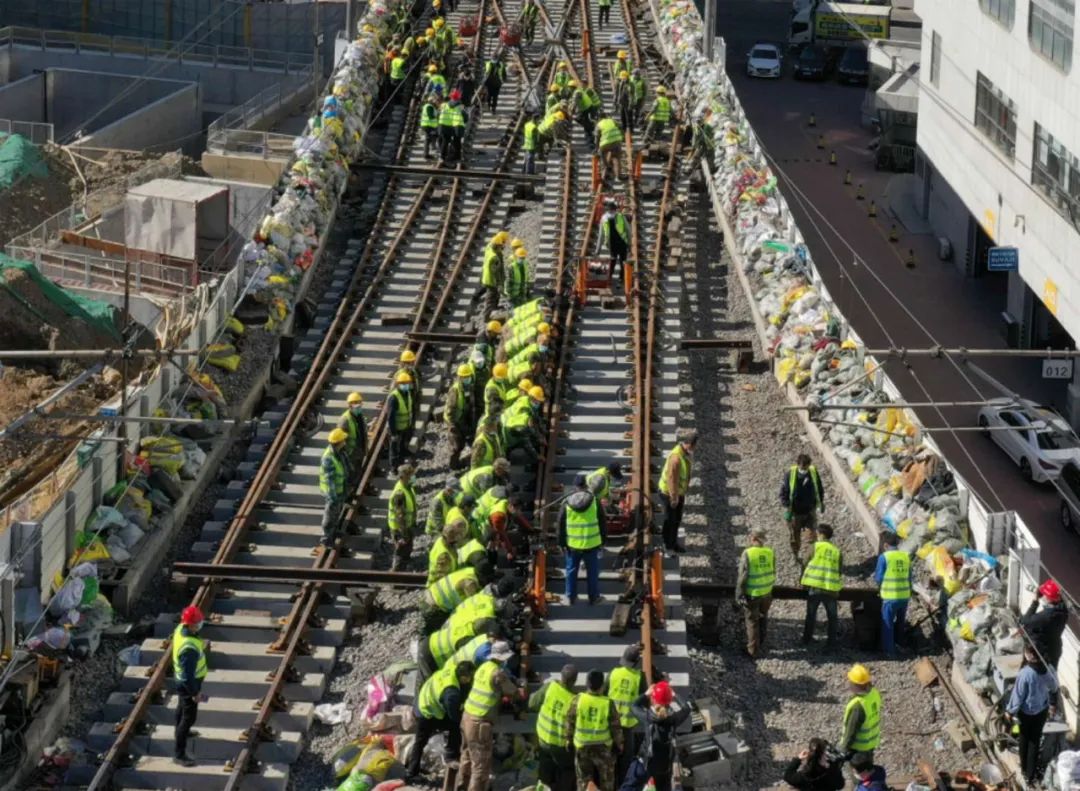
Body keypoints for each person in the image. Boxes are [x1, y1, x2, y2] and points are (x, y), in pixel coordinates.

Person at [459, 644, 519, 791]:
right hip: (479, 723)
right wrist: (519, 688)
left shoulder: (483, 667)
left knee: (466, 756)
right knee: (480, 766)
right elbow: (512, 691)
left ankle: (460, 786)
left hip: (466, 716)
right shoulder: (497, 673)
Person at [408, 660, 475, 781]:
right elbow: (454, 716)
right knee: (456, 726)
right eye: (469, 678)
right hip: (428, 711)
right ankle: (451, 756)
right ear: (463, 677)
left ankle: (412, 772)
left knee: (419, 742)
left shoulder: (452, 668)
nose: (470, 681)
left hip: (424, 698)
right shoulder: (451, 693)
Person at [619, 681, 691, 791]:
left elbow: (634, 706)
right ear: (669, 701)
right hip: (663, 765)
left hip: (646, 762)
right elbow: (686, 708)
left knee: (629, 787)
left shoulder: (648, 718)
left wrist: (646, 694)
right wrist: (674, 694)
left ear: (653, 699)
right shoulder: (673, 720)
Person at [1007, 644, 1059, 783]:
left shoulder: (1026, 673)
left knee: (1024, 739)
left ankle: (1024, 769)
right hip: (1041, 711)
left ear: (1029, 655)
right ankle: (1030, 774)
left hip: (1026, 713)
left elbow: (1018, 696)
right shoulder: (1048, 669)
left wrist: (1010, 711)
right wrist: (1052, 704)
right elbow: (1054, 687)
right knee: (1035, 741)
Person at [567, 669, 623, 791]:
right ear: (602, 685)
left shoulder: (578, 700)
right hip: (603, 749)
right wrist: (619, 745)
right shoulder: (608, 703)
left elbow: (570, 722)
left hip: (582, 748)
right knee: (607, 781)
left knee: (583, 782)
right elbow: (616, 728)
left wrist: (568, 741)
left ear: (587, 683)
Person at [560, 472, 607, 605]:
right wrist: (603, 541)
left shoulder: (566, 502)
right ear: (586, 485)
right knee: (592, 572)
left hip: (572, 544)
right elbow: (602, 523)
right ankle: (594, 598)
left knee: (571, 571)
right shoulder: (594, 501)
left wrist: (561, 542)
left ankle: (569, 597)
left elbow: (560, 524)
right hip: (592, 543)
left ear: (575, 486)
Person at [530, 663, 579, 791]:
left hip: (543, 740)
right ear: (574, 681)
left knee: (545, 772)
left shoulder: (549, 687)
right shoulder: (575, 700)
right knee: (567, 770)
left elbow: (532, 704)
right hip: (560, 746)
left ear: (561, 676)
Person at [172, 605, 208, 766]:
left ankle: (179, 732)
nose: (200, 625)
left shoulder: (181, 628)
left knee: (181, 709)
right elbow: (188, 677)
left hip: (181, 681)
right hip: (188, 684)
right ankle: (179, 755)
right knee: (189, 717)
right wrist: (195, 693)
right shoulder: (189, 649)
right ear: (191, 624)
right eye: (198, 623)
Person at [608, 645, 647, 779]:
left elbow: (604, 693)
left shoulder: (613, 673)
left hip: (611, 724)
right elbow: (644, 700)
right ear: (636, 662)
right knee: (627, 757)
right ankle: (623, 782)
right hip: (627, 726)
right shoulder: (639, 677)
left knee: (611, 754)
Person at [738, 526, 775, 658]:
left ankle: (752, 650)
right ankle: (761, 642)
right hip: (767, 592)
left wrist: (739, 594)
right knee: (763, 616)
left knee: (752, 621)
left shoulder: (748, 553)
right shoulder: (770, 552)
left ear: (753, 538)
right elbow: (773, 571)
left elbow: (743, 576)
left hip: (752, 593)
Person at [801, 524, 841, 647]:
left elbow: (804, 562)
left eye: (817, 534)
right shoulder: (836, 551)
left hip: (815, 587)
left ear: (821, 534)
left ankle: (807, 640)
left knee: (811, 615)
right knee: (832, 618)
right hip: (831, 589)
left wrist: (802, 580)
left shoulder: (815, 547)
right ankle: (831, 644)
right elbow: (839, 570)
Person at [780, 453, 826, 560]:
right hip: (795, 512)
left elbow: (819, 489)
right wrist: (787, 507)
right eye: (802, 467)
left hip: (810, 511)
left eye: (806, 467)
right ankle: (796, 554)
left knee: (812, 536)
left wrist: (821, 503)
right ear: (798, 465)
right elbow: (783, 493)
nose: (804, 470)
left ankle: (811, 557)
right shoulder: (790, 475)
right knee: (795, 537)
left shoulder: (813, 473)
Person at [658, 429, 696, 553]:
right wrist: (674, 498)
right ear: (690, 444)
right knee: (671, 520)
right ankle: (668, 545)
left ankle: (672, 543)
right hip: (669, 494)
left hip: (678, 493)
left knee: (676, 519)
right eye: (694, 446)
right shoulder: (676, 459)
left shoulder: (683, 453)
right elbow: (671, 479)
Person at [874, 532, 911, 656]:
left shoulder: (884, 557)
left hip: (890, 597)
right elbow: (910, 577)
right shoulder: (906, 556)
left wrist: (880, 588)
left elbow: (878, 577)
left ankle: (889, 651)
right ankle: (900, 644)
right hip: (904, 596)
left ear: (885, 545)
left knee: (887, 623)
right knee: (900, 622)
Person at [1021, 578, 1069, 668]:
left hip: (1041, 653)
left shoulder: (1045, 616)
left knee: (1036, 677)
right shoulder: (1063, 610)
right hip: (1055, 649)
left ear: (1048, 598)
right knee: (1050, 675)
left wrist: (1035, 601)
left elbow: (1025, 622)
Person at [839, 664, 881, 764]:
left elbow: (851, 731)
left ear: (855, 684)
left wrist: (843, 749)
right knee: (868, 771)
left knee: (859, 775)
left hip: (857, 749)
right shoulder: (874, 693)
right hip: (870, 744)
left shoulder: (858, 706)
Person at [319, 428, 350, 549]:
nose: (345, 441)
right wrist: (333, 497)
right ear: (340, 442)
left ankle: (334, 531)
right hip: (332, 492)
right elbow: (329, 479)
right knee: (330, 514)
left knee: (337, 512)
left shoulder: (339, 452)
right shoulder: (328, 458)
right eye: (344, 439)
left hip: (340, 489)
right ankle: (326, 538)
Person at [445, 363, 476, 468]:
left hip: (463, 418)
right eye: (465, 377)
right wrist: (453, 425)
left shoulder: (468, 387)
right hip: (454, 421)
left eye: (469, 376)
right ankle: (453, 465)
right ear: (460, 378)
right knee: (456, 445)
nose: (467, 378)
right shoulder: (455, 390)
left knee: (463, 441)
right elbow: (450, 410)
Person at [388, 464, 418, 571]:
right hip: (400, 529)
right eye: (410, 475)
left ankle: (405, 566)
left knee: (407, 548)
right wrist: (403, 535)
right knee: (400, 551)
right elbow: (399, 516)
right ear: (402, 477)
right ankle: (396, 575)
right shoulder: (399, 493)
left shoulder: (408, 487)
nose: (412, 477)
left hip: (407, 525)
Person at [596, 198, 630, 285]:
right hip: (622, 243)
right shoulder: (620, 216)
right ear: (615, 208)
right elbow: (628, 230)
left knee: (613, 260)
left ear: (607, 209)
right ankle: (621, 279)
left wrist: (598, 249)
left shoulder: (604, 218)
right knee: (623, 261)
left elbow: (601, 235)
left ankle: (610, 278)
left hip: (612, 244)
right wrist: (629, 243)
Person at [338, 392, 367, 489]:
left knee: (357, 475)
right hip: (351, 454)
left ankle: (354, 491)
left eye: (359, 404)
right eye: (355, 404)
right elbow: (340, 440)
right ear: (349, 405)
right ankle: (348, 497)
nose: (358, 406)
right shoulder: (345, 420)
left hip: (359, 451)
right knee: (350, 477)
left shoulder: (360, 416)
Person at [387, 371, 414, 470]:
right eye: (403, 383)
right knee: (394, 449)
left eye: (407, 383)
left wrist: (410, 426)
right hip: (396, 428)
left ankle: (401, 465)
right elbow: (390, 417)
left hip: (405, 427)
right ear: (398, 384)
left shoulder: (407, 393)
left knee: (402, 447)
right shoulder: (394, 397)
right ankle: (394, 469)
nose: (406, 385)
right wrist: (393, 433)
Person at [482, 231, 509, 316]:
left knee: (495, 295)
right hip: (491, 280)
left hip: (486, 276)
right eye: (502, 244)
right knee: (491, 298)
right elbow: (496, 273)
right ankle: (487, 316)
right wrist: (499, 284)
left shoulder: (489, 247)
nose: (503, 245)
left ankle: (494, 310)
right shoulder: (495, 257)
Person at [439, 91, 466, 164]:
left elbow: (438, 114)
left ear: (450, 97)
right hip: (456, 126)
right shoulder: (460, 106)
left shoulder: (443, 105)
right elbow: (465, 117)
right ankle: (457, 156)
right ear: (458, 98)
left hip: (444, 125)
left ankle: (442, 157)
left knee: (445, 141)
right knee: (457, 142)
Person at [596, 114, 624, 182]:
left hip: (605, 143)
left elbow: (597, 137)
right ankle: (618, 176)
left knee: (602, 155)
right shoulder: (612, 120)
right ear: (606, 117)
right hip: (616, 141)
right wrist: (621, 136)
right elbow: (621, 126)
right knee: (616, 158)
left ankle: (606, 166)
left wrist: (597, 147)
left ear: (599, 119)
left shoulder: (598, 124)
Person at [421, 94, 441, 159]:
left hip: (428, 125)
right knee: (429, 139)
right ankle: (427, 153)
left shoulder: (430, 106)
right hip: (428, 125)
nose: (436, 101)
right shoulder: (429, 107)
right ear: (432, 100)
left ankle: (427, 153)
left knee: (429, 139)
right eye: (435, 100)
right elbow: (430, 116)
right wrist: (437, 116)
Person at [523, 111, 541, 175]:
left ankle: (524, 170)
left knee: (526, 158)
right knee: (530, 159)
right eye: (539, 119)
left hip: (527, 143)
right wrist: (537, 145)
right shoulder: (534, 127)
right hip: (532, 145)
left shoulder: (527, 124)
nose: (539, 120)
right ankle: (529, 172)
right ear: (536, 119)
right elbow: (535, 138)